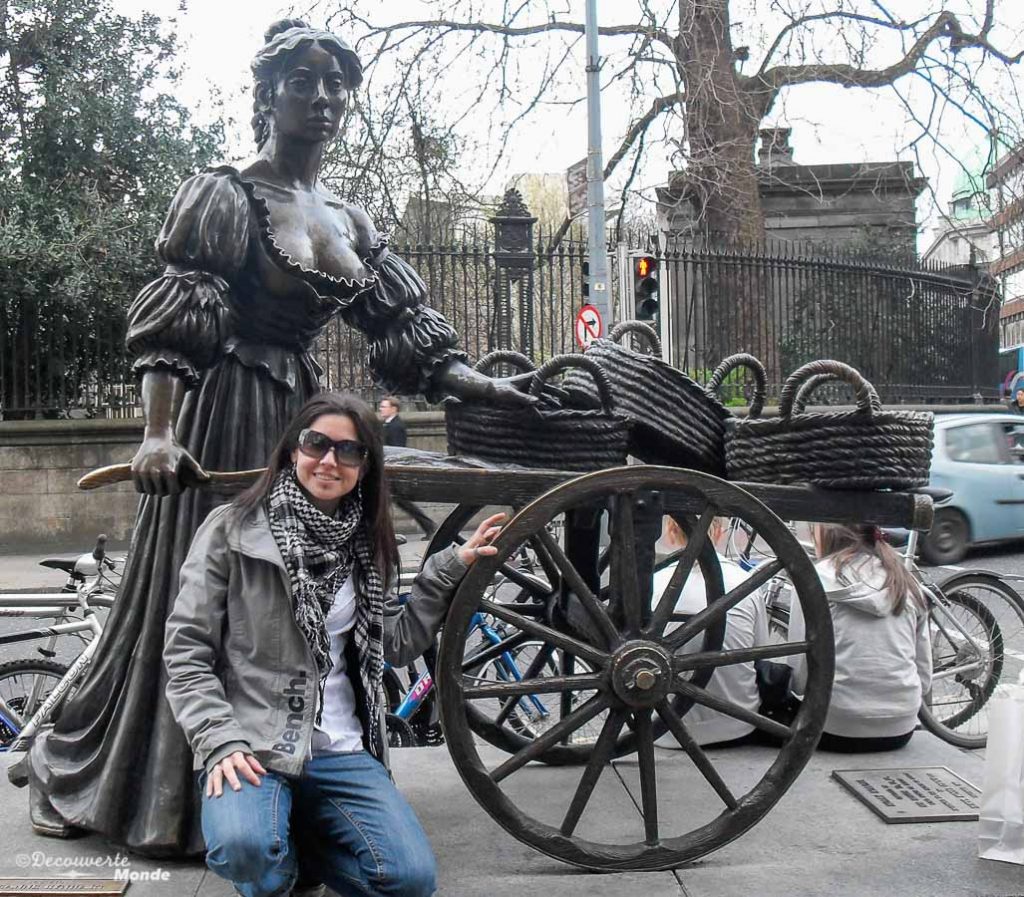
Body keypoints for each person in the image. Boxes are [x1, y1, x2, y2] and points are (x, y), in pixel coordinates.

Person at [25, 19, 529, 856]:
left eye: (337, 85)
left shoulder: (351, 219)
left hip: (298, 416)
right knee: (214, 598)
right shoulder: (224, 192)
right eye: (304, 82)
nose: (324, 99)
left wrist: (483, 383)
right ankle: (178, 793)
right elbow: (177, 317)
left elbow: (404, 329)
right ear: (268, 95)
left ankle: (306, 766)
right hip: (224, 409)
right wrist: (156, 432)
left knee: (304, 598)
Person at [163, 393, 503, 897]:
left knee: (410, 882)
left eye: (348, 451)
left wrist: (450, 567)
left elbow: (396, 643)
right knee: (244, 848)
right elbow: (186, 652)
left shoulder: (369, 544)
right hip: (255, 741)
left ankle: (299, 846)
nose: (329, 461)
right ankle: (272, 851)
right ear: (292, 450)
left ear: (365, 467)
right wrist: (220, 740)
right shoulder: (232, 529)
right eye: (316, 443)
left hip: (340, 746)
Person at [788, 523, 931, 753]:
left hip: (833, 726)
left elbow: (799, 677)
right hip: (900, 726)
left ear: (822, 534)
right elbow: (924, 677)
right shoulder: (906, 581)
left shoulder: (812, 580)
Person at [654, 517, 772, 748]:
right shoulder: (744, 581)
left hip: (663, 730)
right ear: (719, 532)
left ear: (669, 530)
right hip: (737, 723)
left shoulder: (654, 582)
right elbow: (762, 655)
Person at [378, 396, 436, 538]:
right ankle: (429, 527)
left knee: (395, 503)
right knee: (399, 503)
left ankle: (429, 527)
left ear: (394, 409)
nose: (381, 409)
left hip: (392, 471)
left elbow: (397, 449)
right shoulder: (388, 424)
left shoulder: (396, 426)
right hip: (388, 471)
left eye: (384, 406)